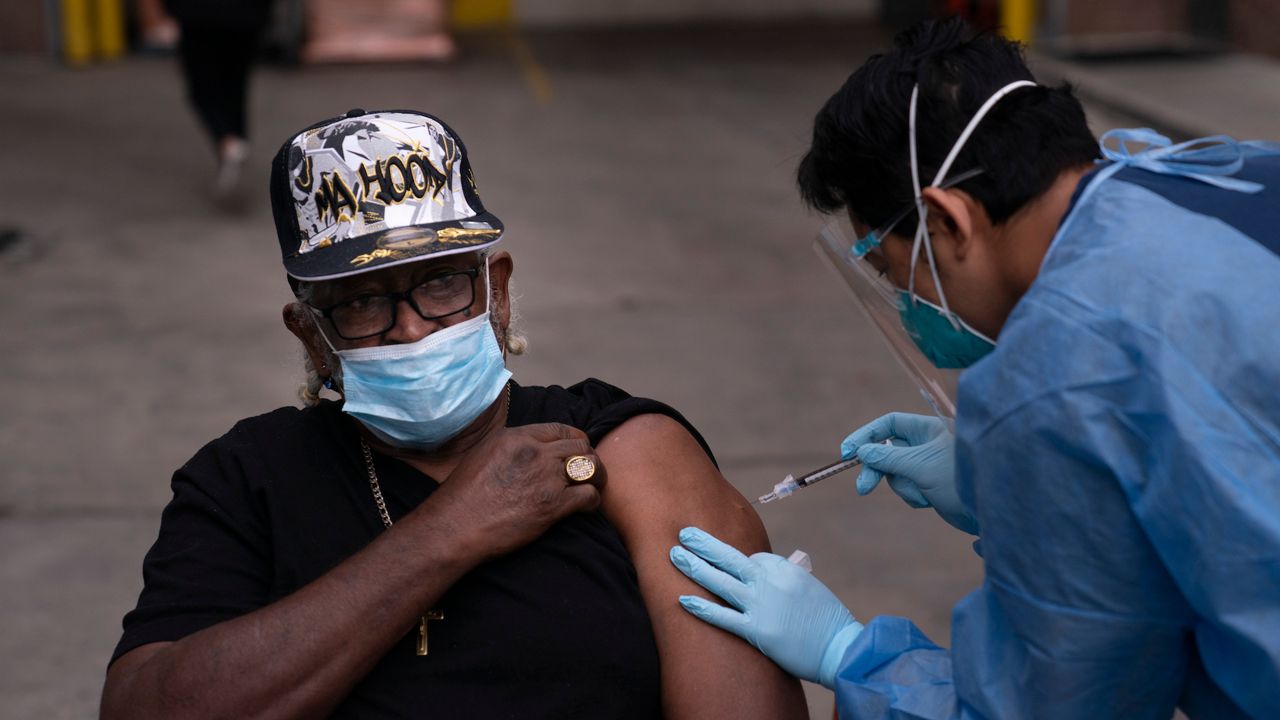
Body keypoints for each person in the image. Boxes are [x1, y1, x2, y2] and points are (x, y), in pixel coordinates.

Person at [101, 109, 808, 719]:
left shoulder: (625, 448)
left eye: (440, 283)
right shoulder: (247, 480)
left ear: (495, 294)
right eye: (361, 304)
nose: (410, 330)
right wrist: (449, 531)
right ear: (311, 337)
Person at [669, 18, 1280, 719]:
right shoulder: (1226, 175)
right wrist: (1012, 494)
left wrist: (851, 655)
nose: (904, 302)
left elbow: (1055, 705)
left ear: (948, 222)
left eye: (890, 267)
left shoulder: (1054, 380)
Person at [164, 0, 272, 197]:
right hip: (247, 15)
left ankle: (226, 139)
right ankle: (237, 137)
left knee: (201, 88)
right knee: (236, 83)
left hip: (200, 15)